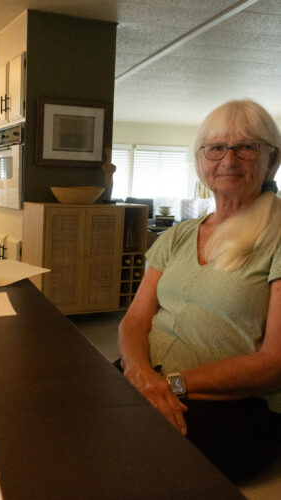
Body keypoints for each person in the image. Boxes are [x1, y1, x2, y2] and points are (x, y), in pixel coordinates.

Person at [117, 99, 281, 482]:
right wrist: (139, 373)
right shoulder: (179, 236)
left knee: (129, 458)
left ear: (271, 160)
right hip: (150, 381)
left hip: (239, 408)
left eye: (246, 146)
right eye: (216, 147)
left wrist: (168, 385)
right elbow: (135, 321)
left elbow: (274, 362)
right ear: (200, 159)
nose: (229, 160)